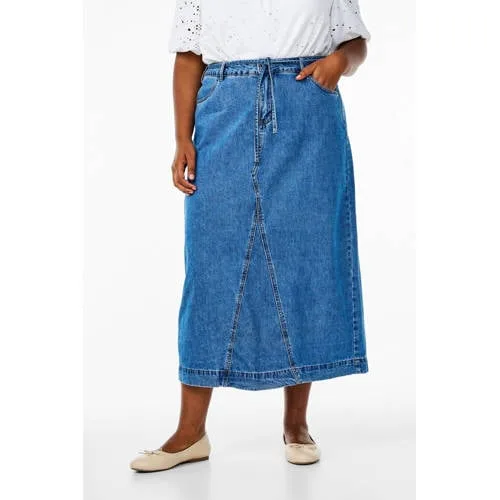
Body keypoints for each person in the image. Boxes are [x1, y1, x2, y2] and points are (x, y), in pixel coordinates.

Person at [130, 0, 371, 472]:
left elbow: (356, 41)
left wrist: (339, 62)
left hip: (306, 109)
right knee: (210, 268)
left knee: (302, 259)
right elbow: (189, 55)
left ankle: (296, 424)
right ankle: (190, 432)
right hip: (224, 110)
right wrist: (182, 137)